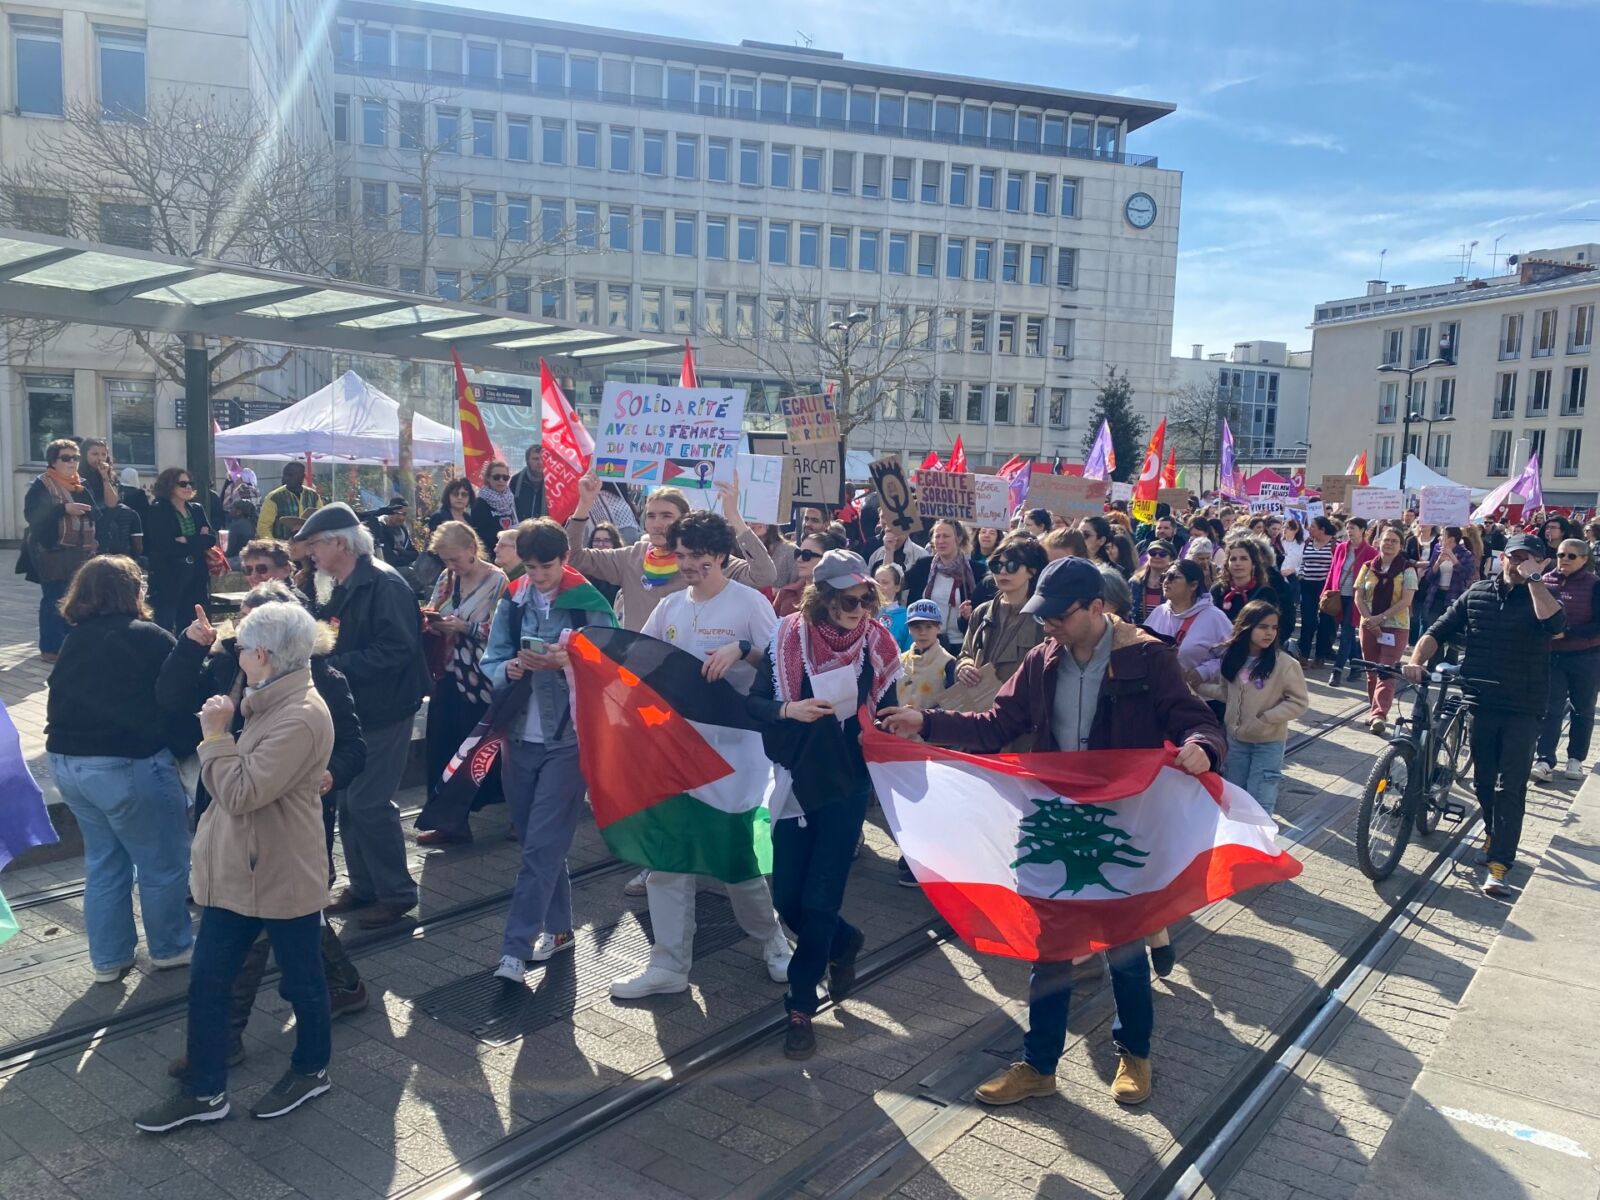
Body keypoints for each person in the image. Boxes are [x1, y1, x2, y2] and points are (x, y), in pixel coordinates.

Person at [879, 557, 1226, 1106]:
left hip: (1122, 822)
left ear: (1097, 608)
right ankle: (1039, 1065)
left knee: (1126, 949)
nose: (1048, 626)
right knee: (1051, 952)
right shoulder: (1043, 660)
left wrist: (1204, 748)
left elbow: (1198, 720)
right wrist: (927, 722)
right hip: (1056, 818)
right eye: (1043, 616)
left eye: (1058, 616)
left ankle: (1135, 1053)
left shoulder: (1148, 657)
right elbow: (997, 724)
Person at [135, 602, 336, 1133]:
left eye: (241, 646)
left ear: (263, 655)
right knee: (207, 981)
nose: (236, 654)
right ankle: (205, 1091)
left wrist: (215, 737)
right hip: (239, 870)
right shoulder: (269, 698)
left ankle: (312, 1068)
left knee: (303, 979)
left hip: (281, 870)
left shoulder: (300, 714)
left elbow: (242, 793)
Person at [156, 583, 369, 1076]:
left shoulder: (313, 691)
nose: (234, 642)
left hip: (275, 840)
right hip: (236, 833)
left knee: (278, 958)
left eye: (244, 633)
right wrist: (190, 645)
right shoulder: (234, 670)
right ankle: (219, 1058)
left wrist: (329, 772)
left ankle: (237, 1048)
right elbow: (171, 697)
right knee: (281, 949)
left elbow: (350, 745)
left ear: (266, 650)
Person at [610, 511, 793, 998]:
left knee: (735, 857)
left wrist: (744, 648)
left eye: (697, 557)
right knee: (666, 857)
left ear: (720, 557)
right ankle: (669, 964)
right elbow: (639, 662)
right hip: (676, 752)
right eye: (682, 555)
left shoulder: (749, 602)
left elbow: (784, 665)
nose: (687, 564)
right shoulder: (669, 608)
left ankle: (775, 943)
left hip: (737, 756)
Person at [746, 550, 902, 1057]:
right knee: (786, 899)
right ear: (824, 598)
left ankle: (799, 1005)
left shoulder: (878, 644)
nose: (859, 609)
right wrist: (790, 708)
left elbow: (891, 706)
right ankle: (845, 941)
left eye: (866, 599)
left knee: (818, 902)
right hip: (795, 779)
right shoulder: (788, 636)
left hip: (846, 784)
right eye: (848, 600)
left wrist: (894, 725)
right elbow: (754, 705)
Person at [480, 518, 619, 980]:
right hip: (517, 738)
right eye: (532, 566)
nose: (538, 575)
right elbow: (492, 659)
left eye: (548, 566)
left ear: (565, 560)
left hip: (569, 741)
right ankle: (559, 930)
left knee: (540, 846)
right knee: (539, 844)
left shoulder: (589, 601)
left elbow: (615, 664)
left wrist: (570, 662)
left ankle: (514, 950)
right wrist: (512, 668)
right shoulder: (513, 597)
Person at [45, 556, 193, 983]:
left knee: (104, 862)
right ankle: (170, 947)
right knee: (161, 862)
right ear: (132, 590)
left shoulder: (77, 637)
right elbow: (180, 692)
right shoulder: (148, 636)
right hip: (126, 763)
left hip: (68, 764)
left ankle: (108, 959)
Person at [1404, 533, 1566, 898]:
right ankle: (1493, 832)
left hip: (1524, 706)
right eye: (1513, 557)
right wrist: (1415, 660)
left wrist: (1536, 581)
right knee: (1483, 780)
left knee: (1511, 786)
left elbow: (1554, 626)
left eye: (1528, 558)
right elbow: (1437, 630)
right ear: (1502, 558)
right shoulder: (1477, 592)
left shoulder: (1543, 596)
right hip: (1481, 699)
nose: (1518, 564)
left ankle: (1500, 864)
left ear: (1541, 563)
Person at [292, 504, 429, 927]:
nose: (310, 552)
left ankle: (397, 893)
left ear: (339, 542)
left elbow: (397, 649)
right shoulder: (341, 581)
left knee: (368, 802)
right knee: (349, 800)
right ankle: (366, 887)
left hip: (385, 708)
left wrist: (335, 668)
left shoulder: (384, 584)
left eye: (315, 544)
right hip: (357, 709)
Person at [563, 472, 776, 632]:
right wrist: (584, 505)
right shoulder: (632, 557)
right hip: (639, 667)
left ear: (683, 519)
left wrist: (734, 516)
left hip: (686, 667)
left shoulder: (705, 560)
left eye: (666, 516)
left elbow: (764, 575)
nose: (657, 524)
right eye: (651, 516)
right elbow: (573, 558)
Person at [415, 522, 509, 845]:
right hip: (448, 672)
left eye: (454, 558)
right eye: (445, 560)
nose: (450, 566)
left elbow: (499, 630)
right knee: (442, 745)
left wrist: (465, 627)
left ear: (472, 548)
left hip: (480, 678)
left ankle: (489, 808)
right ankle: (449, 821)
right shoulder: (447, 578)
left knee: (476, 748)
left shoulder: (497, 580)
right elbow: (435, 608)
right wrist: (434, 621)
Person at [1199, 601, 1307, 816]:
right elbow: (1226, 693)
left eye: (1274, 628)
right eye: (1263, 627)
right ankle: (1239, 842)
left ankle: (1260, 844)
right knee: (1234, 796)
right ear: (1246, 627)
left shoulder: (1284, 664)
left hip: (1267, 742)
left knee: (1260, 798)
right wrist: (1197, 686)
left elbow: (1298, 702)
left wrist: (1266, 718)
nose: (1269, 633)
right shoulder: (1231, 658)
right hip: (1236, 740)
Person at [19, 438, 99, 660]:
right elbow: (33, 516)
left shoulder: (81, 483)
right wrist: (64, 508)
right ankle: (51, 648)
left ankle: (71, 644)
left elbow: (97, 512)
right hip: (50, 549)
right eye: (66, 458)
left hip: (79, 548)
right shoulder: (41, 484)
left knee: (77, 598)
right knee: (55, 597)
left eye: (75, 458)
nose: (72, 462)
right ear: (53, 461)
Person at [1533, 538, 1600, 781]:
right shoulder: (1545, 581)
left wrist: (1568, 632)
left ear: (1584, 559)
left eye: (1572, 556)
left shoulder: (1594, 585)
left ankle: (1576, 759)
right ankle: (1544, 758)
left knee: (1582, 709)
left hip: (1586, 656)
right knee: (1550, 708)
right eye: (1561, 555)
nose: (1565, 560)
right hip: (1552, 655)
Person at [956, 533, 1048, 696]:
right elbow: (965, 654)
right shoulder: (982, 612)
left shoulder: (1043, 618)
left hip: (1018, 711)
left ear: (1032, 571)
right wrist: (964, 667)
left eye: (1012, 566)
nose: (1003, 572)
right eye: (996, 566)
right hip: (979, 709)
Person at [1353, 527, 1417, 734]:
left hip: (1395, 626)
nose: (1389, 544)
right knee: (1372, 670)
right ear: (1379, 542)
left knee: (1386, 670)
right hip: (1369, 625)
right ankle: (1374, 710)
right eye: (1386, 540)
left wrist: (1381, 618)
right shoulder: (1367, 567)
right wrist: (1369, 619)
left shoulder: (1407, 569)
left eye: (1394, 541)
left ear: (1400, 545)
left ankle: (1379, 714)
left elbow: (1406, 601)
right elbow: (1359, 596)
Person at [144, 467, 217, 634]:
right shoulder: (158, 509)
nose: (188, 487)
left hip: (196, 574)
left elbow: (210, 538)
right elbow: (164, 544)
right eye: (183, 484)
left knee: (192, 620)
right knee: (165, 622)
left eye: (190, 483)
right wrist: (198, 541)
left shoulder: (197, 509)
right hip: (169, 574)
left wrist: (188, 540)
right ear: (169, 486)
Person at [1146, 559, 1234, 681]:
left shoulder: (1214, 617)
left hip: (1201, 698)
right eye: (1165, 576)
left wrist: (1202, 672)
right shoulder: (1159, 612)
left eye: (1173, 577)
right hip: (1161, 695)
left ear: (1193, 585)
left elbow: (1233, 656)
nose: (1166, 581)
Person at [904, 519, 985, 652]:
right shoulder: (923, 566)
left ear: (959, 539)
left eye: (946, 536)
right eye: (937, 536)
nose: (941, 541)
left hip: (960, 645)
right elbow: (894, 585)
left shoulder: (977, 572)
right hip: (926, 644)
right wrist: (889, 551)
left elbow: (984, 610)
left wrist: (972, 613)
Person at [1322, 517, 1378, 686]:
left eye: (1352, 527)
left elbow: (1373, 578)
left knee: (1347, 631)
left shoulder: (1371, 552)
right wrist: (1326, 591)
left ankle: (1337, 670)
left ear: (1362, 530)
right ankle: (1356, 666)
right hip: (1339, 596)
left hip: (1357, 599)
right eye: (1347, 527)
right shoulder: (1340, 548)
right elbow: (1333, 570)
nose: (1349, 531)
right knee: (1347, 633)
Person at [1417, 526, 1474, 664]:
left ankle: (1448, 670)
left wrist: (1453, 559)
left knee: (1453, 635)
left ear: (1451, 539)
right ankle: (1433, 668)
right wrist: (1437, 563)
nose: (1439, 538)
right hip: (1436, 597)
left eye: (1443, 536)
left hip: (1454, 598)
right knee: (1435, 632)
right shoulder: (1437, 551)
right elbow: (1430, 576)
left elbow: (1466, 575)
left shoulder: (1465, 554)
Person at [1290, 517, 1337, 665]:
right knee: (1308, 621)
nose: (1309, 529)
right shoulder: (1308, 543)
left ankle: (1320, 656)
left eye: (1313, 527)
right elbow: (1302, 561)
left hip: (1325, 588)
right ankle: (1304, 654)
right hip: (1307, 586)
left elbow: (1337, 566)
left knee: (1325, 622)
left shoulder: (1335, 544)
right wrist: (1301, 574)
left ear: (1322, 529)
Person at [899, 598, 958, 710]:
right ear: (909, 630)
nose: (923, 632)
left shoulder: (948, 663)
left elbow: (952, 704)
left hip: (933, 725)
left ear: (938, 628)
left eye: (929, 627)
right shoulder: (900, 661)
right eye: (917, 627)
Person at [775, 531, 840, 617]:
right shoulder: (786, 593)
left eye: (807, 555)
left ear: (828, 559)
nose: (799, 559)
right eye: (798, 553)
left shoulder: (841, 597)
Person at [1212, 540, 1276, 626]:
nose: (1238, 563)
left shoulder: (1265, 593)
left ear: (1253, 563)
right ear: (1227, 564)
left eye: (1244, 558)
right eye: (1233, 559)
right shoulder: (1218, 591)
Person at [256, 462, 322, 540]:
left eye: (290, 475)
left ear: (302, 477)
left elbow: (320, 520)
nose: (285, 478)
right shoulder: (274, 497)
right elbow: (263, 527)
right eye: (284, 474)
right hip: (283, 547)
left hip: (307, 547)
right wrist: (274, 546)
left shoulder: (313, 496)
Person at [469, 459, 520, 553]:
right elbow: (482, 535)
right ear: (488, 478)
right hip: (492, 553)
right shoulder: (479, 504)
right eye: (497, 477)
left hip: (512, 552)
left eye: (505, 477)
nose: (501, 480)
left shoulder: (512, 499)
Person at [866, 519, 930, 584]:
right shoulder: (876, 555)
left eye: (897, 530)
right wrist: (888, 552)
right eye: (889, 531)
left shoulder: (921, 555)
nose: (893, 535)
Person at [364, 497, 419, 572]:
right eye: (398, 513)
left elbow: (415, 554)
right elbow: (391, 560)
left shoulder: (403, 530)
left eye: (404, 514)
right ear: (389, 512)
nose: (401, 517)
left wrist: (403, 552)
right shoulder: (380, 528)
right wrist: (407, 558)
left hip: (403, 566)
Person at [1130, 540, 1175, 624]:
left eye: (1162, 554)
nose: (1157, 556)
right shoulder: (1135, 582)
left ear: (1171, 559)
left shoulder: (1176, 584)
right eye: (1152, 553)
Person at [874, 561, 909, 649]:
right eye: (876, 582)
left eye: (885, 582)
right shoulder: (863, 612)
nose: (879, 586)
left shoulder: (906, 617)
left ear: (897, 587)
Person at [508, 447, 546, 520]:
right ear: (527, 461)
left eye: (543, 458)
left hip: (545, 528)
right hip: (521, 528)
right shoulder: (516, 480)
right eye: (535, 459)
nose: (540, 462)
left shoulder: (552, 483)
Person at [223, 500, 257, 569]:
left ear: (239, 512)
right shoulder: (253, 523)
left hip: (240, 559)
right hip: (253, 557)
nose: (230, 511)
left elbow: (230, 551)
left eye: (232, 508)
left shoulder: (236, 526)